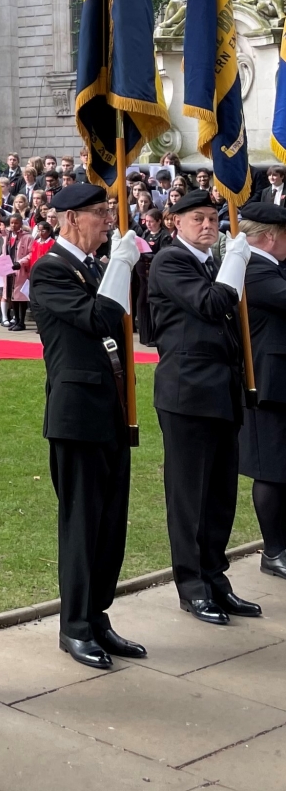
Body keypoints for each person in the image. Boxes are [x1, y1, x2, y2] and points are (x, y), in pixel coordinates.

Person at [29, 184, 145, 669]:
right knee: (81, 525)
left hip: (111, 410)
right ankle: (74, 624)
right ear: (70, 218)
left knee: (110, 524)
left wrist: (112, 265)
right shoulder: (51, 269)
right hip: (77, 415)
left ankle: (98, 615)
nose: (107, 220)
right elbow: (101, 318)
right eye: (100, 213)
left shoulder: (89, 267)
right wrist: (120, 265)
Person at [148, 186, 261, 623]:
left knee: (219, 496)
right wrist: (237, 259)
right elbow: (213, 304)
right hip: (187, 396)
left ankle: (215, 577)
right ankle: (191, 584)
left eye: (213, 219)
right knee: (189, 496)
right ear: (176, 222)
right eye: (198, 219)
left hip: (220, 394)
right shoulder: (171, 261)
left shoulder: (208, 261)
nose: (209, 226)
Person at [234, 202, 286, 581]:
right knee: (271, 469)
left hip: (279, 381)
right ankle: (274, 549)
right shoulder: (254, 270)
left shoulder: (271, 267)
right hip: (268, 384)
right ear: (269, 236)